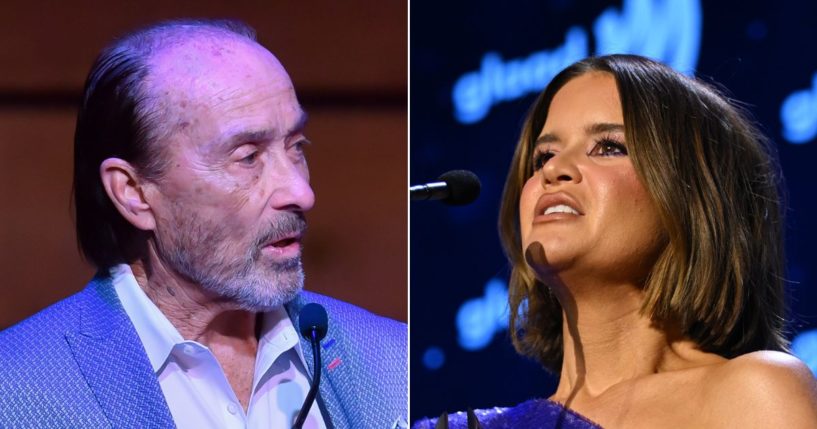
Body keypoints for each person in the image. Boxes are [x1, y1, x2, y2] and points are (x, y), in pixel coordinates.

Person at [0, 19, 406, 428]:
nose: (301, 193)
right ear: (133, 193)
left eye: (296, 147)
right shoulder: (18, 389)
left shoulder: (394, 362)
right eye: (248, 157)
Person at [415, 54, 817, 428]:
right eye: (543, 157)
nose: (555, 170)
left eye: (608, 147)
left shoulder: (753, 394)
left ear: (694, 199)